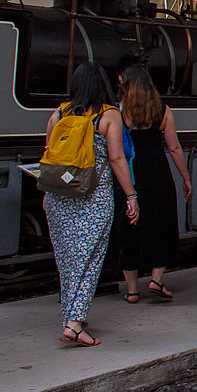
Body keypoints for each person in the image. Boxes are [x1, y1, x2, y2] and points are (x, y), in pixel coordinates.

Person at [44, 62, 139, 346]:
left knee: (67, 261)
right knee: (89, 259)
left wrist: (45, 196)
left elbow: (49, 155)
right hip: (93, 197)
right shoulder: (109, 115)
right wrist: (132, 196)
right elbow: (117, 158)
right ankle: (73, 324)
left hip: (59, 195)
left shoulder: (59, 113)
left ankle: (73, 317)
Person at [114, 64, 192, 303]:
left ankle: (132, 290)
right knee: (162, 224)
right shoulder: (163, 110)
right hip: (158, 171)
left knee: (129, 228)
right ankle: (156, 280)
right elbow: (174, 147)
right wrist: (186, 178)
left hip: (130, 174)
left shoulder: (117, 112)